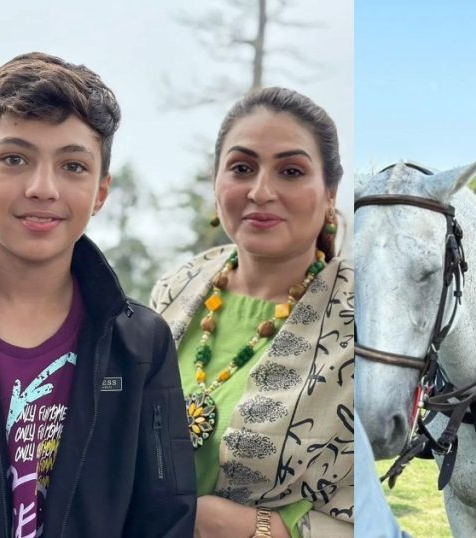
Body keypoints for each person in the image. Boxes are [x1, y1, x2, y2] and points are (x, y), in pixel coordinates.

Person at [0, 52, 196, 538]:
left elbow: (164, 517)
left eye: (73, 166)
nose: (43, 188)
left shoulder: (140, 345)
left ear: (101, 192)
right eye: (15, 159)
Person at [150, 87, 354, 538]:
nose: (261, 191)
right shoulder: (175, 289)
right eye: (242, 168)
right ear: (216, 182)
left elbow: (381, 491)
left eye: (291, 171)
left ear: (328, 195)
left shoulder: (361, 317)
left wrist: (265, 529)